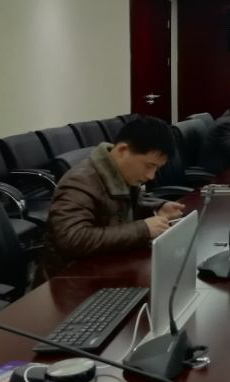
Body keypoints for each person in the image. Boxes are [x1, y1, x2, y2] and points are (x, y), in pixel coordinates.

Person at [44, 116, 184, 274]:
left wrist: (158, 207)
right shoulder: (79, 182)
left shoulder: (121, 171)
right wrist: (143, 229)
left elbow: (124, 204)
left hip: (106, 264)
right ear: (123, 150)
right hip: (72, 277)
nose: (151, 176)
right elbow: (72, 239)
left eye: (156, 169)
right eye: (149, 166)